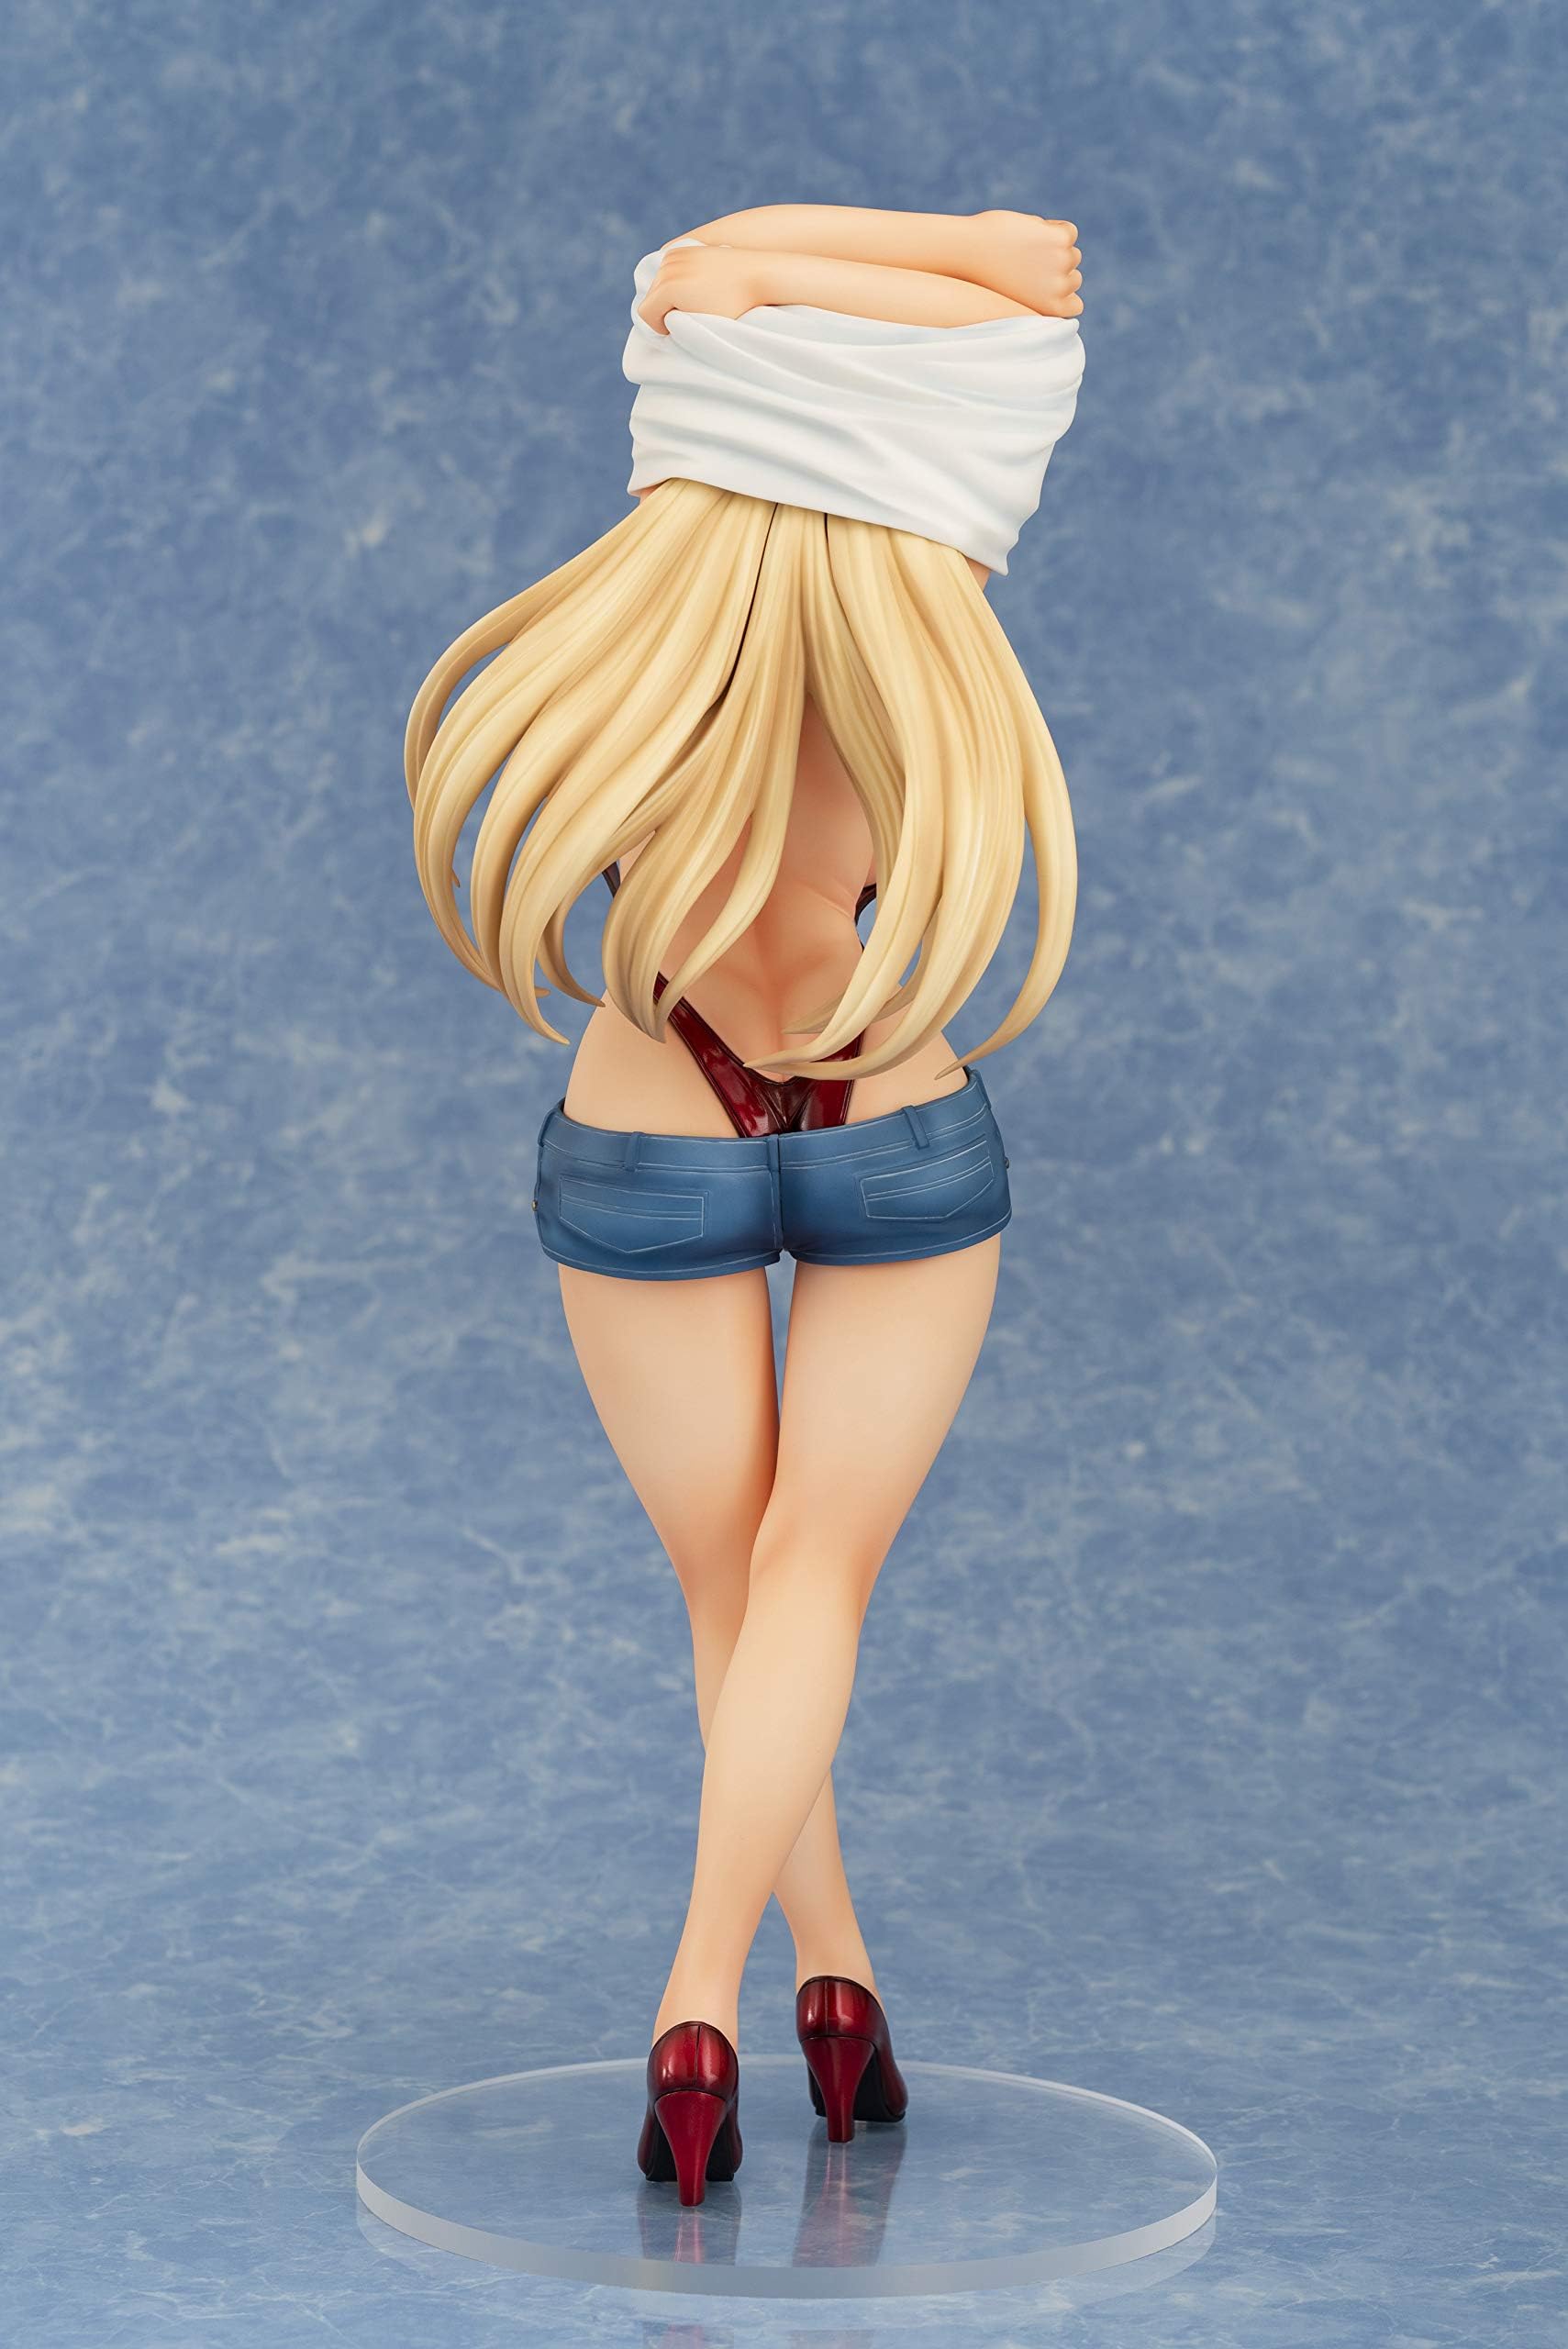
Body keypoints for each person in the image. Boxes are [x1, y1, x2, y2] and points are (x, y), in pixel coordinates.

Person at [404, 203, 1086, 2206]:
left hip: (656, 1104)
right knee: (814, 1577)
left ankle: (734, 2002)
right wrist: (908, 248)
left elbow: (693, 276)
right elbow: (1034, 276)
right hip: (888, 1094)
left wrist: (739, 280)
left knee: (738, 1586)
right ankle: (782, 1987)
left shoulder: (639, 621)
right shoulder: (940, 576)